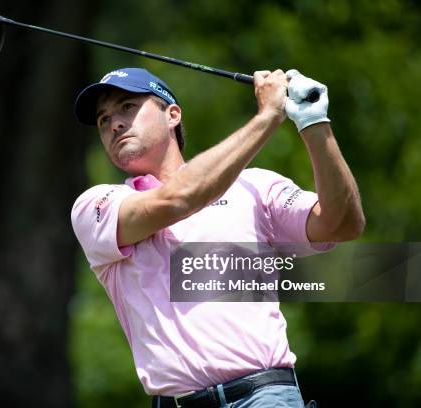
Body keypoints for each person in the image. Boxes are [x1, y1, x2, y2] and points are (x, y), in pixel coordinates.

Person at [70, 67, 364, 407]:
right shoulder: (96, 206)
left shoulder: (254, 186)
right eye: (103, 120)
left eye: (127, 108)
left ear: (172, 115)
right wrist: (268, 116)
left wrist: (313, 123)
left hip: (262, 397)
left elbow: (342, 224)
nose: (114, 124)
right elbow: (177, 200)